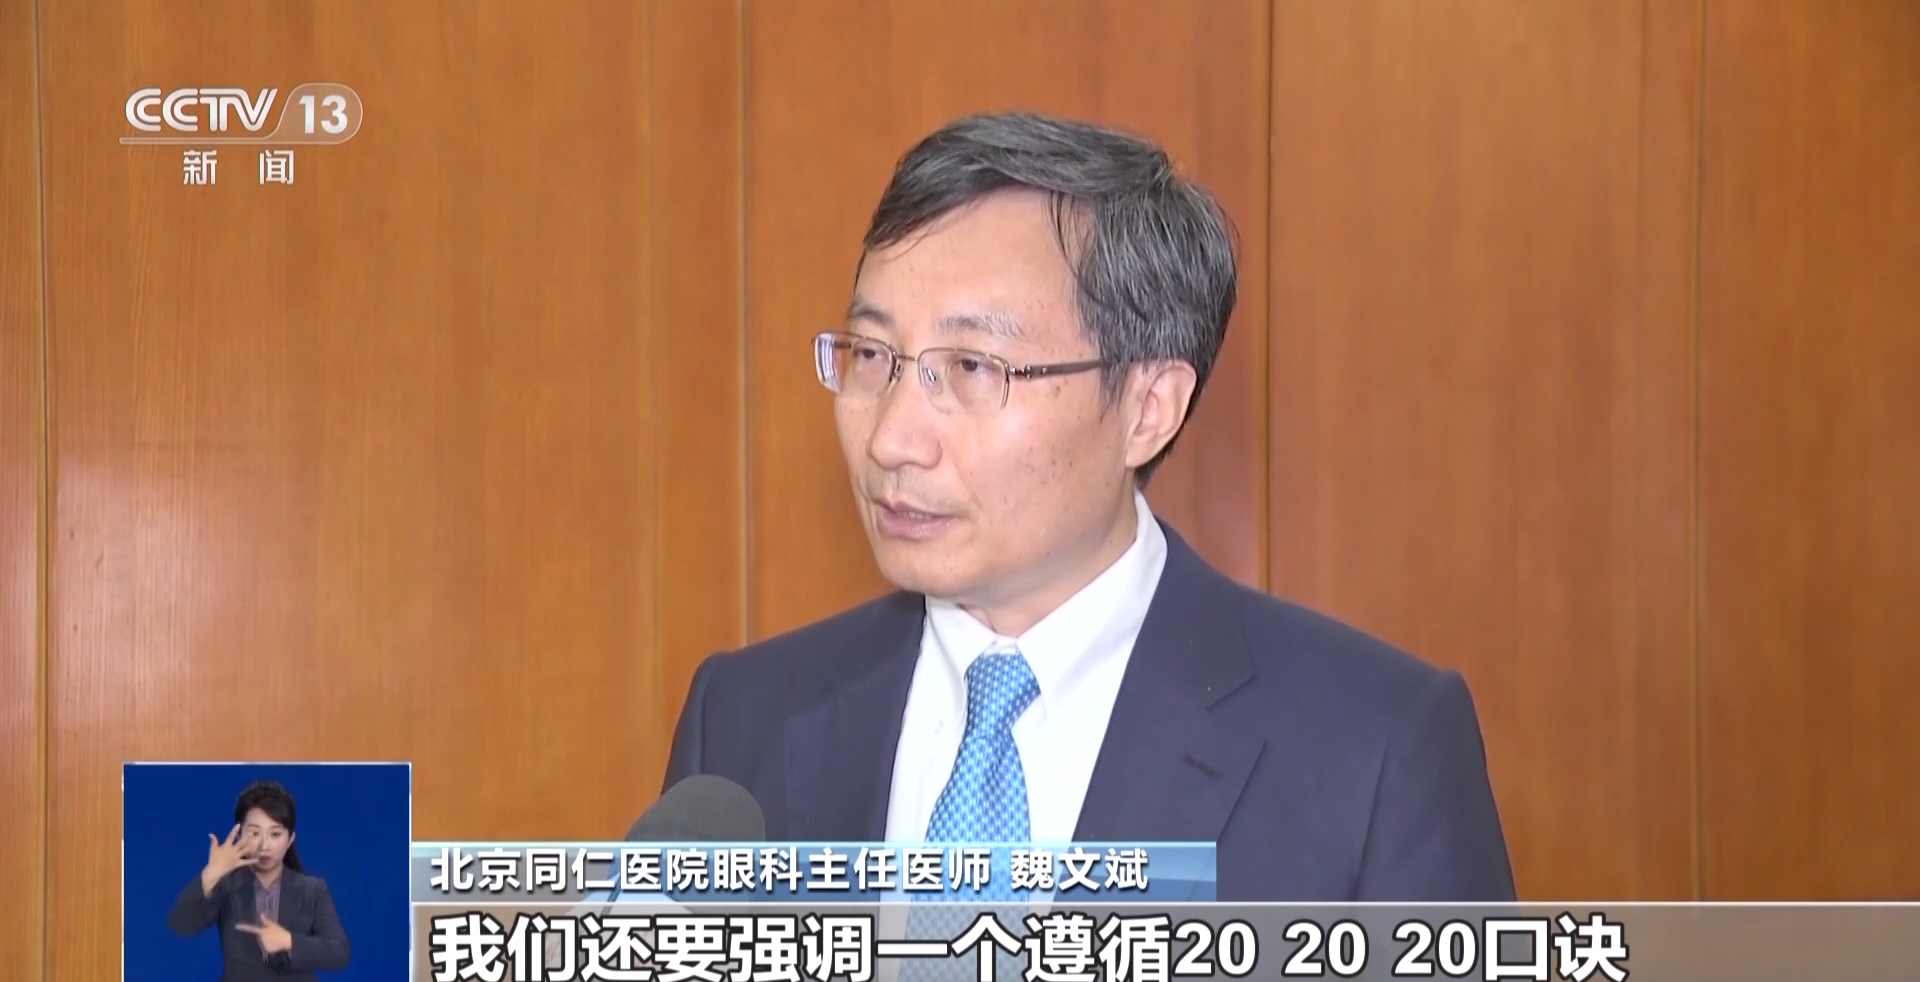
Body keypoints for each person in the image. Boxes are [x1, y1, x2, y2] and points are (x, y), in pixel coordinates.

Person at [663, 111, 1515, 901]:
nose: (891, 439)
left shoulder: (1373, 752)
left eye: (971, 368)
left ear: (1148, 408)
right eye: (873, 356)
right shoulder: (741, 720)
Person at [167, 780, 351, 980]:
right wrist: (211, 874)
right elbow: (180, 923)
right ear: (240, 836)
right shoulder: (227, 885)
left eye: (275, 834)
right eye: (255, 833)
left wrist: (289, 941)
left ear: (290, 839)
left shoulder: (312, 889)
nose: (265, 845)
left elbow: (339, 951)